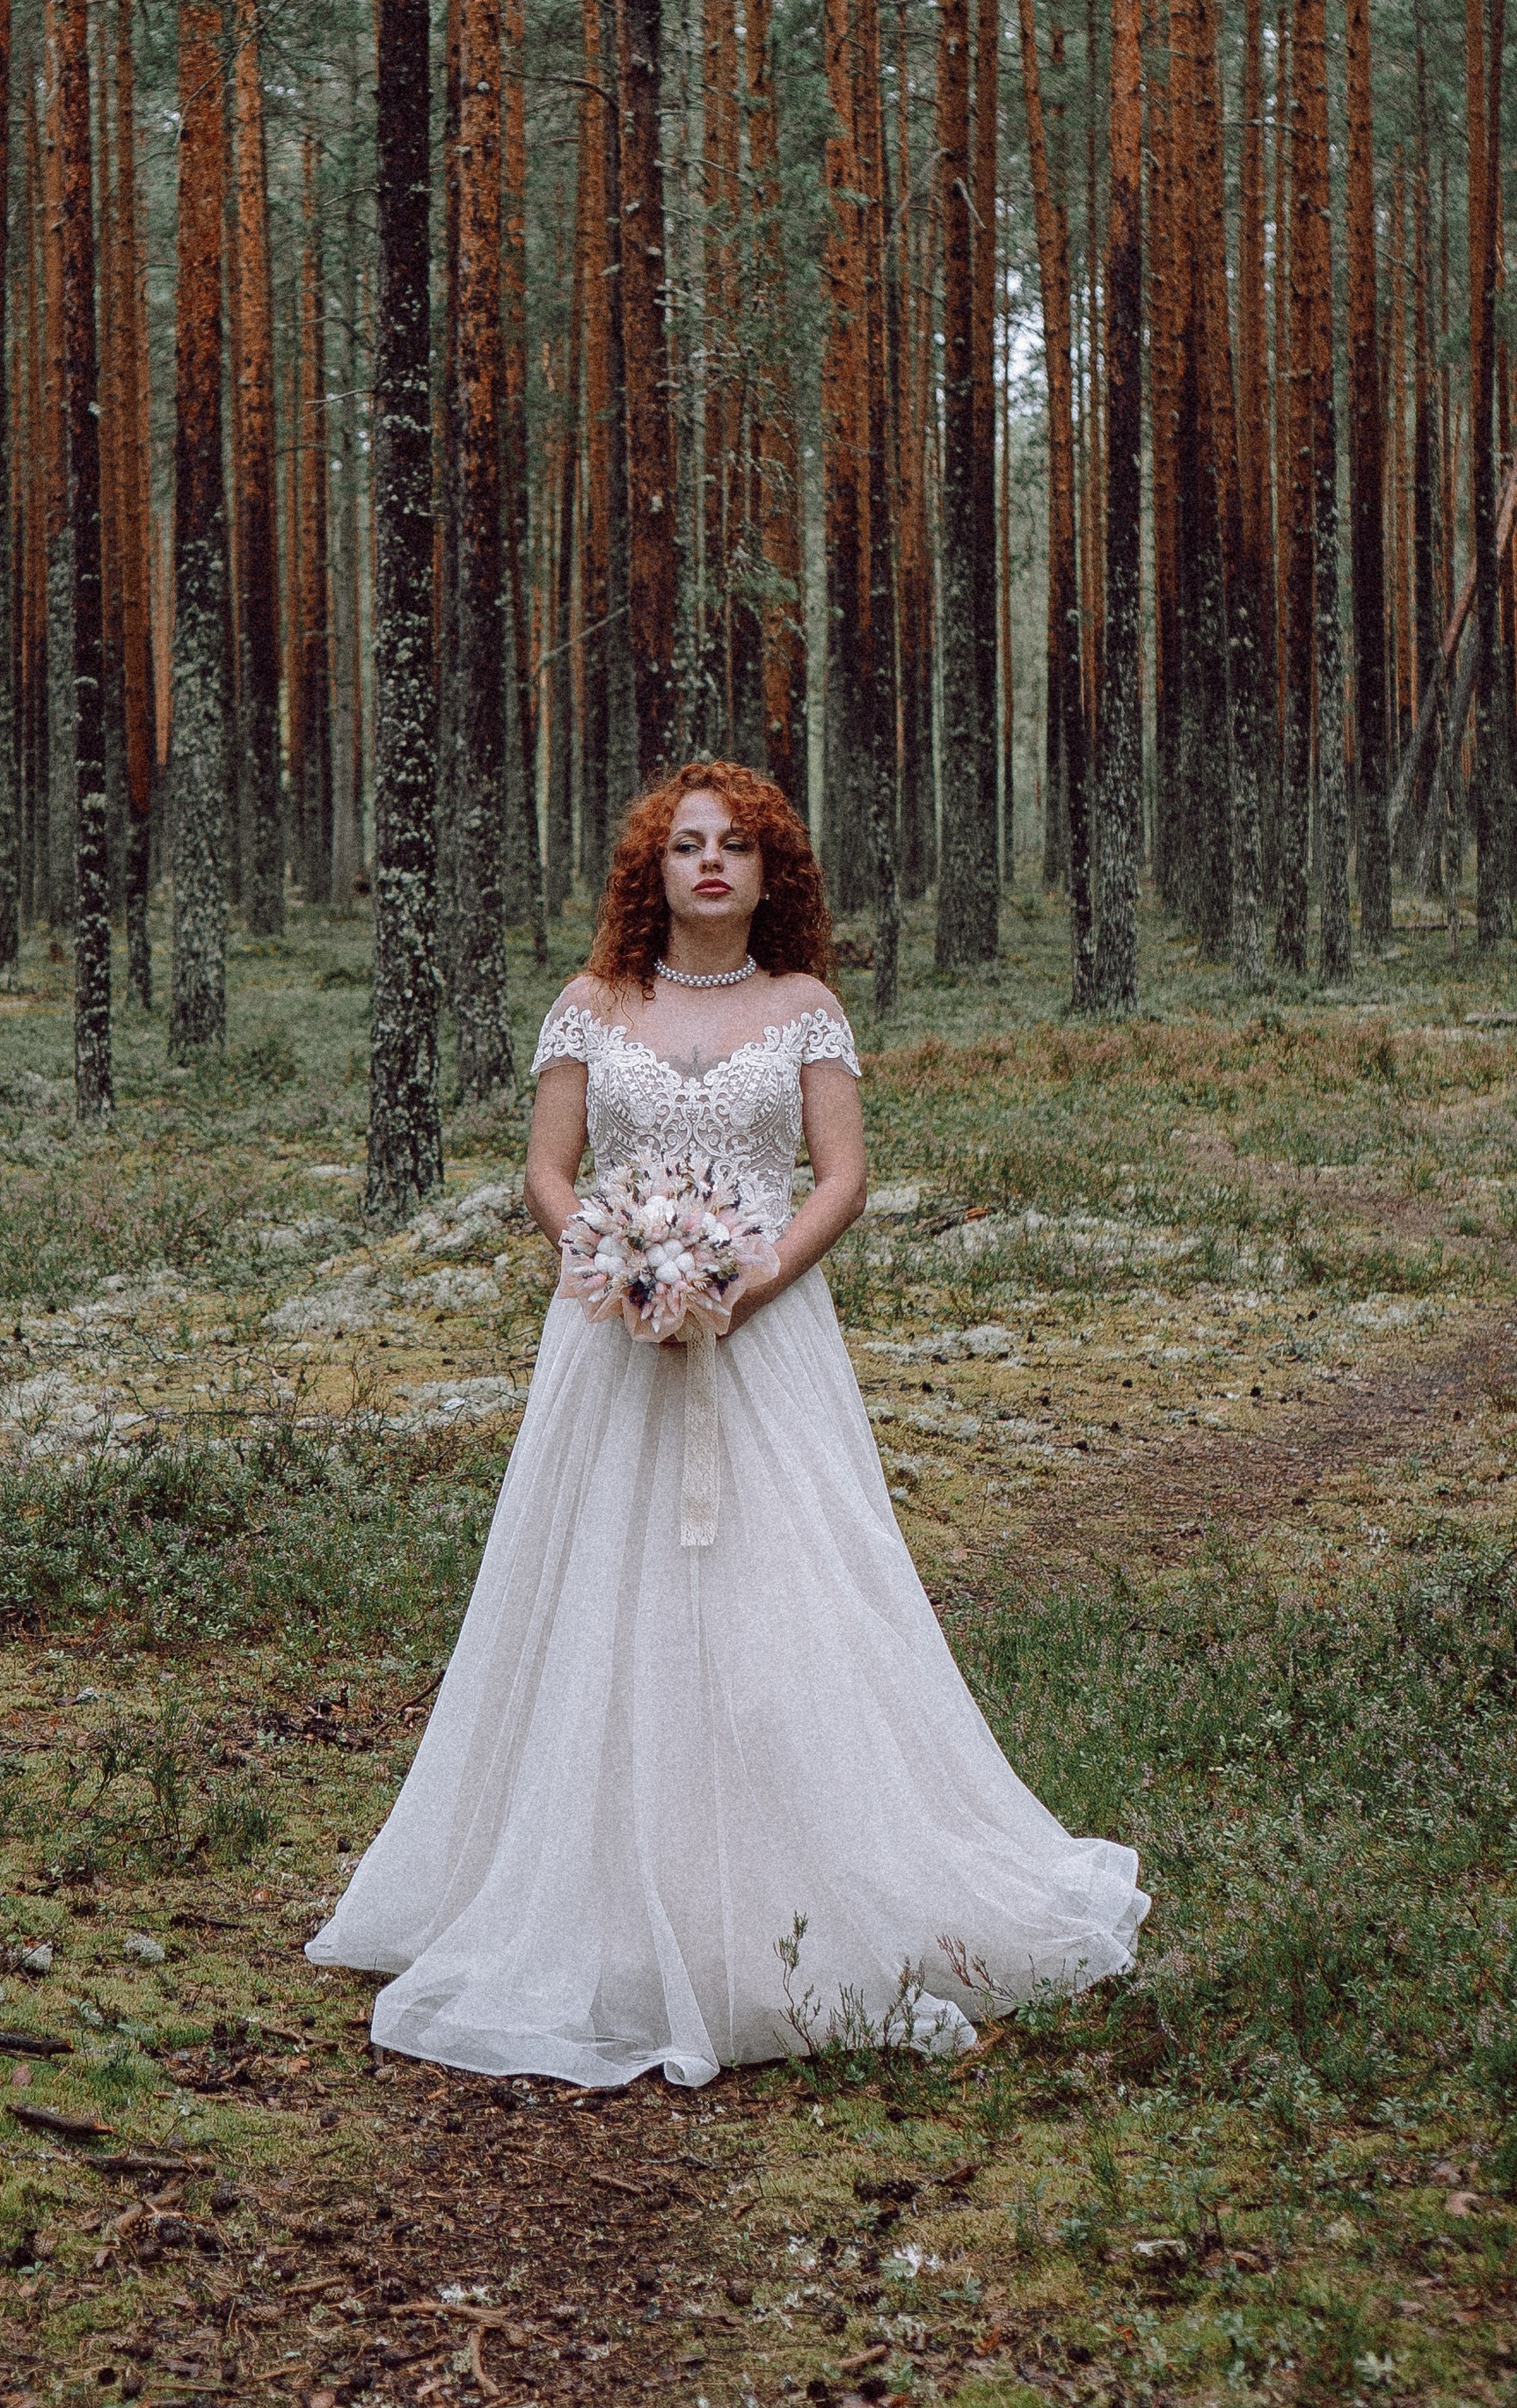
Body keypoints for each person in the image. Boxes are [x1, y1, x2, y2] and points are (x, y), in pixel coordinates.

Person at [307, 761, 1147, 2088]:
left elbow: (846, 1175)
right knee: (599, 1593)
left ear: (771, 873)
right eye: (687, 845)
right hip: (611, 1342)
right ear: (654, 867)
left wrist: (747, 1281)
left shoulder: (805, 1009)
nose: (711, 865)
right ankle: (586, 1891)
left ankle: (785, 1887)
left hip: (769, 1340)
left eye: (736, 847)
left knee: (786, 1589)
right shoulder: (592, 1004)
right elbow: (545, 1167)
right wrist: (618, 1259)